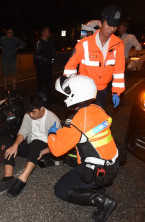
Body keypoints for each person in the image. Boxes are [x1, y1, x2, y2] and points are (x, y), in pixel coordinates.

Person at [48, 75, 119, 222]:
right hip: (113, 163)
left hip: (98, 171)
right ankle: (96, 187)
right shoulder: (97, 108)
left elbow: (56, 150)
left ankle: (100, 200)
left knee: (60, 189)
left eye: (67, 93)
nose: (64, 97)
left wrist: (52, 134)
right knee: (76, 164)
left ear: (75, 95)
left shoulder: (75, 121)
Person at [0, 94, 61, 197]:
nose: (31, 115)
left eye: (33, 112)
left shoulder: (53, 119)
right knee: (10, 144)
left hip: (47, 150)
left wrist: (43, 152)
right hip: (33, 148)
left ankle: (23, 179)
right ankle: (8, 177)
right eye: (29, 112)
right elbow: (23, 132)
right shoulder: (28, 115)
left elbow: (58, 145)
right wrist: (15, 145)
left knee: (36, 143)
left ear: (41, 108)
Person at [63, 5, 125, 110]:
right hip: (84, 91)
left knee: (98, 121)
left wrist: (117, 92)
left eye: (115, 26)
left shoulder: (118, 45)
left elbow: (119, 71)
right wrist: (73, 88)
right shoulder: (84, 44)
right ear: (100, 23)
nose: (112, 29)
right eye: (109, 25)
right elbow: (70, 67)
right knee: (83, 122)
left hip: (102, 91)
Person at [34, 27, 56, 102]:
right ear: (43, 33)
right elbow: (36, 55)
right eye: (48, 32)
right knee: (40, 82)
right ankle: (38, 99)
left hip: (48, 66)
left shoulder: (50, 43)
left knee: (48, 82)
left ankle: (48, 98)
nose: (49, 33)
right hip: (41, 66)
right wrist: (45, 60)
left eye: (49, 32)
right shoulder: (39, 43)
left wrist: (51, 61)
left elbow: (53, 54)